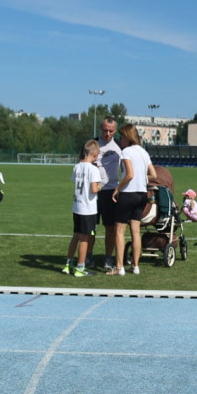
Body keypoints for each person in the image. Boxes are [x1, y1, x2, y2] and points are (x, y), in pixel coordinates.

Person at [111, 123, 158, 276]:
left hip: (128, 194)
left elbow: (129, 174)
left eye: (121, 136)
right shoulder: (144, 152)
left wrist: (117, 189)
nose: (120, 139)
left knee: (119, 231)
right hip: (141, 195)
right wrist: (141, 176)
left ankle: (119, 267)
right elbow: (153, 175)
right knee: (135, 232)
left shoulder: (126, 152)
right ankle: (136, 266)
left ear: (127, 136)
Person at [63, 140, 101, 277]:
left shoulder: (77, 167)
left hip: (77, 206)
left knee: (75, 236)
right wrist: (100, 186)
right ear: (95, 155)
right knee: (84, 238)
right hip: (88, 208)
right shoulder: (94, 169)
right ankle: (80, 268)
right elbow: (94, 189)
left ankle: (68, 264)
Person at [95, 117, 119, 269]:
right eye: (105, 130)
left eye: (111, 131)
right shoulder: (91, 144)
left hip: (111, 192)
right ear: (100, 129)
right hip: (94, 191)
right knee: (90, 228)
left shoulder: (120, 147)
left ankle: (108, 258)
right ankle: (88, 257)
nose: (107, 134)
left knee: (110, 228)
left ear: (115, 131)